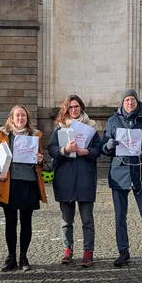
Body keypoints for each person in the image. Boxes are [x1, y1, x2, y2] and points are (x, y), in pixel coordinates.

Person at [102, 89, 142, 268]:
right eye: (127, 100)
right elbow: (103, 148)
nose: (130, 102)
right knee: (120, 216)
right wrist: (109, 145)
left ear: (137, 101)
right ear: (122, 103)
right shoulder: (113, 121)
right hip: (119, 173)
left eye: (132, 99)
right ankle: (123, 252)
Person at [0, 105, 48, 272]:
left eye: (23, 116)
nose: (20, 119)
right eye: (17, 116)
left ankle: (23, 256)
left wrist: (40, 159)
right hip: (10, 183)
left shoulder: (34, 135)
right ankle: (11, 257)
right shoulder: (4, 135)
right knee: (10, 222)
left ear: (27, 118)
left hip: (29, 182)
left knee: (26, 222)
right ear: (12, 118)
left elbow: (40, 162)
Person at [47, 95, 102, 267]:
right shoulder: (60, 127)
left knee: (87, 219)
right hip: (65, 177)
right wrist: (65, 149)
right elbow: (51, 149)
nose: (74, 109)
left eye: (76, 106)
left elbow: (98, 150)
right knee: (66, 219)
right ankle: (67, 249)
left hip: (85, 176)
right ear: (66, 109)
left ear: (81, 107)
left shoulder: (91, 127)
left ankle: (88, 251)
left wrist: (87, 152)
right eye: (70, 107)